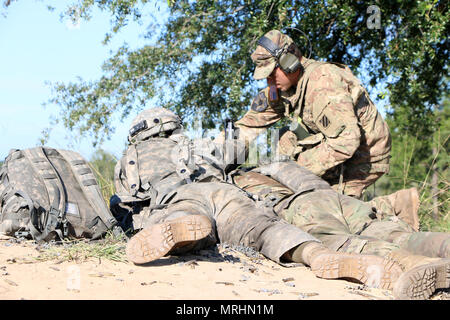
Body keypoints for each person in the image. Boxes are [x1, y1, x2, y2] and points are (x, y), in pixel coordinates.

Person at [111, 107, 403, 291]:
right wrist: (231, 136)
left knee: (182, 216)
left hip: (178, 198)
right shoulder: (196, 144)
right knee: (266, 230)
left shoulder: (130, 157)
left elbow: (124, 200)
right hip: (224, 192)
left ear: (138, 135)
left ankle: (190, 226)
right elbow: (235, 154)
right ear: (174, 126)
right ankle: (318, 255)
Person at [219, 29, 419, 230]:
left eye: (272, 73)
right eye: (266, 77)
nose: (270, 81)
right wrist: (219, 156)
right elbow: (247, 126)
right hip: (336, 147)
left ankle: (397, 205)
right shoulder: (282, 88)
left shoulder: (323, 82)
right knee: (285, 141)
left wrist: (293, 170)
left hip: (365, 153)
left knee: (330, 216)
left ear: (290, 62)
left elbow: (346, 142)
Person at [230, 162, 450, 299]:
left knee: (344, 242)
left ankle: (418, 264)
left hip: (300, 206)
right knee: (386, 231)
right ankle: (444, 245)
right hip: (335, 197)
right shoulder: (277, 164)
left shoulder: (236, 181)